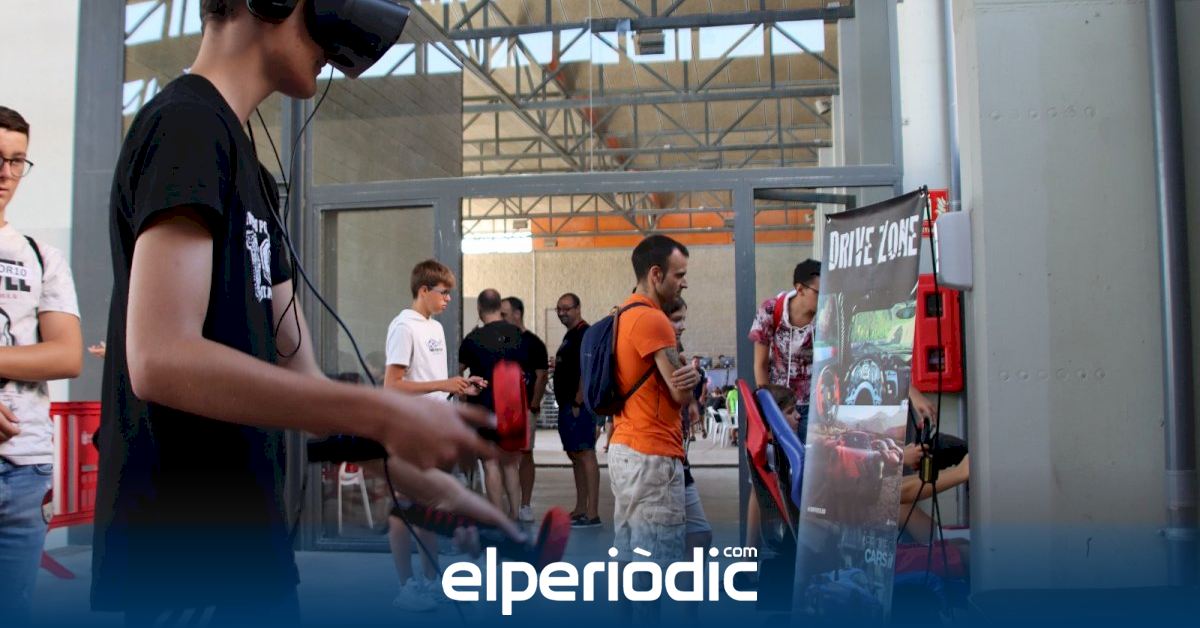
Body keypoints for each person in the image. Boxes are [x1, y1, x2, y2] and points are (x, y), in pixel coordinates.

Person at [91, 3, 519, 623]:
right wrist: (382, 409)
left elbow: (303, 381)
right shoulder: (186, 126)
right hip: (182, 556)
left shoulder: (258, 180)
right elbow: (160, 359)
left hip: (255, 545)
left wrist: (417, 475)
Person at [0, 106, 83, 628]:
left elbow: (66, 355)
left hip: (25, 468)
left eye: (17, 161)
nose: (6, 173)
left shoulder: (39, 255)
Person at [607, 235, 700, 620]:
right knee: (654, 567)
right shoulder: (654, 319)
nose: (684, 283)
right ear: (656, 274)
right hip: (653, 454)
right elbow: (680, 394)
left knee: (628, 556)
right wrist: (690, 378)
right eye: (679, 275)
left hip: (625, 449)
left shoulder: (622, 313)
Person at [383, 260, 484, 612]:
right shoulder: (403, 327)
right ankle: (406, 586)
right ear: (423, 290)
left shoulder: (435, 328)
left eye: (450, 293)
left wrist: (460, 386)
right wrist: (444, 383)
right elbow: (392, 385)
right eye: (443, 293)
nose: (448, 299)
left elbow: (431, 382)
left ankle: (431, 580)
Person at [745, 259, 822, 553]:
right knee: (764, 480)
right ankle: (750, 552)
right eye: (818, 292)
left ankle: (800, 549)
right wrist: (769, 413)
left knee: (807, 481)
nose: (823, 298)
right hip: (780, 407)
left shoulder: (827, 316)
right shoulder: (771, 310)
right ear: (799, 289)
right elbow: (760, 365)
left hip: (813, 410)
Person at [459, 289, 529, 520]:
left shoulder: (473, 339)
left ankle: (497, 518)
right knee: (509, 463)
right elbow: (525, 368)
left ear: (479, 309)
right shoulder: (516, 334)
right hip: (512, 408)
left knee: (490, 463)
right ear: (500, 307)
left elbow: (458, 371)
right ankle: (515, 515)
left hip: (484, 407)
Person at [552, 292, 601, 528]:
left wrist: (579, 401)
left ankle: (592, 513)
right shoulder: (570, 335)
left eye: (566, 308)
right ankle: (581, 507)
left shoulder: (585, 334)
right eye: (559, 309)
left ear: (578, 308)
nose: (562, 313)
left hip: (578, 407)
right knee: (575, 457)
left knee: (585, 454)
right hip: (567, 406)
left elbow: (587, 368)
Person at [500, 296, 548, 524]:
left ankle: (525, 505)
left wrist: (534, 404)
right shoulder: (500, 342)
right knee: (505, 456)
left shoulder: (534, 343)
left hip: (526, 407)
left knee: (526, 454)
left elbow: (541, 375)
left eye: (504, 314)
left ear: (517, 314)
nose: (501, 318)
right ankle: (510, 505)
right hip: (504, 409)